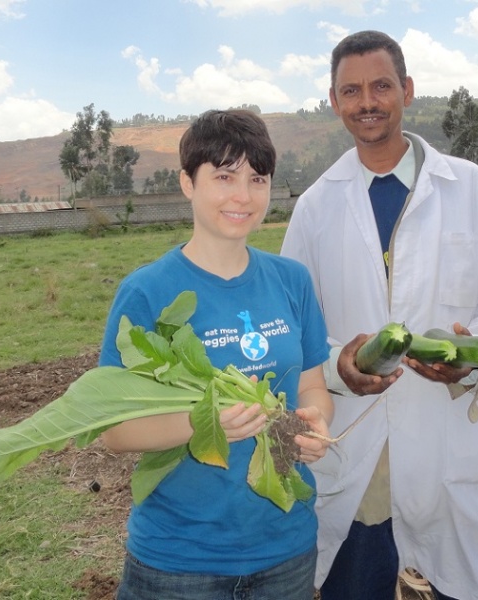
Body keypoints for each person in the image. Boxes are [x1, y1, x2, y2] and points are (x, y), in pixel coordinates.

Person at [281, 30, 478, 600]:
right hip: (359, 441)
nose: (367, 102)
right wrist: (336, 365)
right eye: (351, 91)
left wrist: (472, 357)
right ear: (334, 102)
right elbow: (294, 322)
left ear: (406, 90)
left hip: (452, 433)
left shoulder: (468, 188)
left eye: (381, 86)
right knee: (356, 582)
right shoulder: (315, 207)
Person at [98, 109, 334, 600]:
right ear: (188, 182)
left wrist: (314, 425)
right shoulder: (147, 291)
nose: (243, 196)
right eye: (224, 176)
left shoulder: (292, 280)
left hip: (286, 548)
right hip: (180, 561)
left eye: (257, 179)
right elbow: (114, 431)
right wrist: (207, 425)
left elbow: (311, 383)